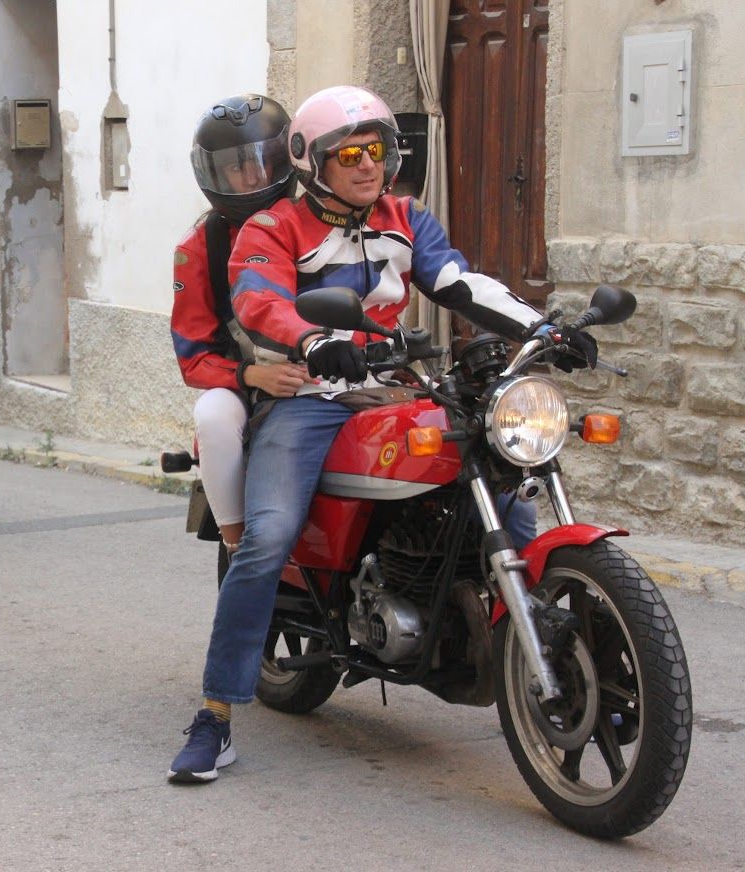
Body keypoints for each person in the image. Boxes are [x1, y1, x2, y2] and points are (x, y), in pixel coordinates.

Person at [167, 85, 585, 784]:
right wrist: (312, 342)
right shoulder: (271, 228)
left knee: (509, 496)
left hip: (396, 384)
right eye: (350, 153)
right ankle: (215, 716)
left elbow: (457, 279)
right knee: (266, 538)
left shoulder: (404, 217)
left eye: (380, 150)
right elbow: (258, 299)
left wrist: (543, 328)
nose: (369, 165)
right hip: (312, 395)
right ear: (310, 161)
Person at [173, 94, 314, 554]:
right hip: (244, 381)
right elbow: (193, 356)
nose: (254, 177)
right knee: (213, 418)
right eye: (237, 168)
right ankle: (241, 549)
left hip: (330, 368)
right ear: (213, 175)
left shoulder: (320, 220)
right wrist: (253, 375)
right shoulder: (200, 248)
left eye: (265, 162)